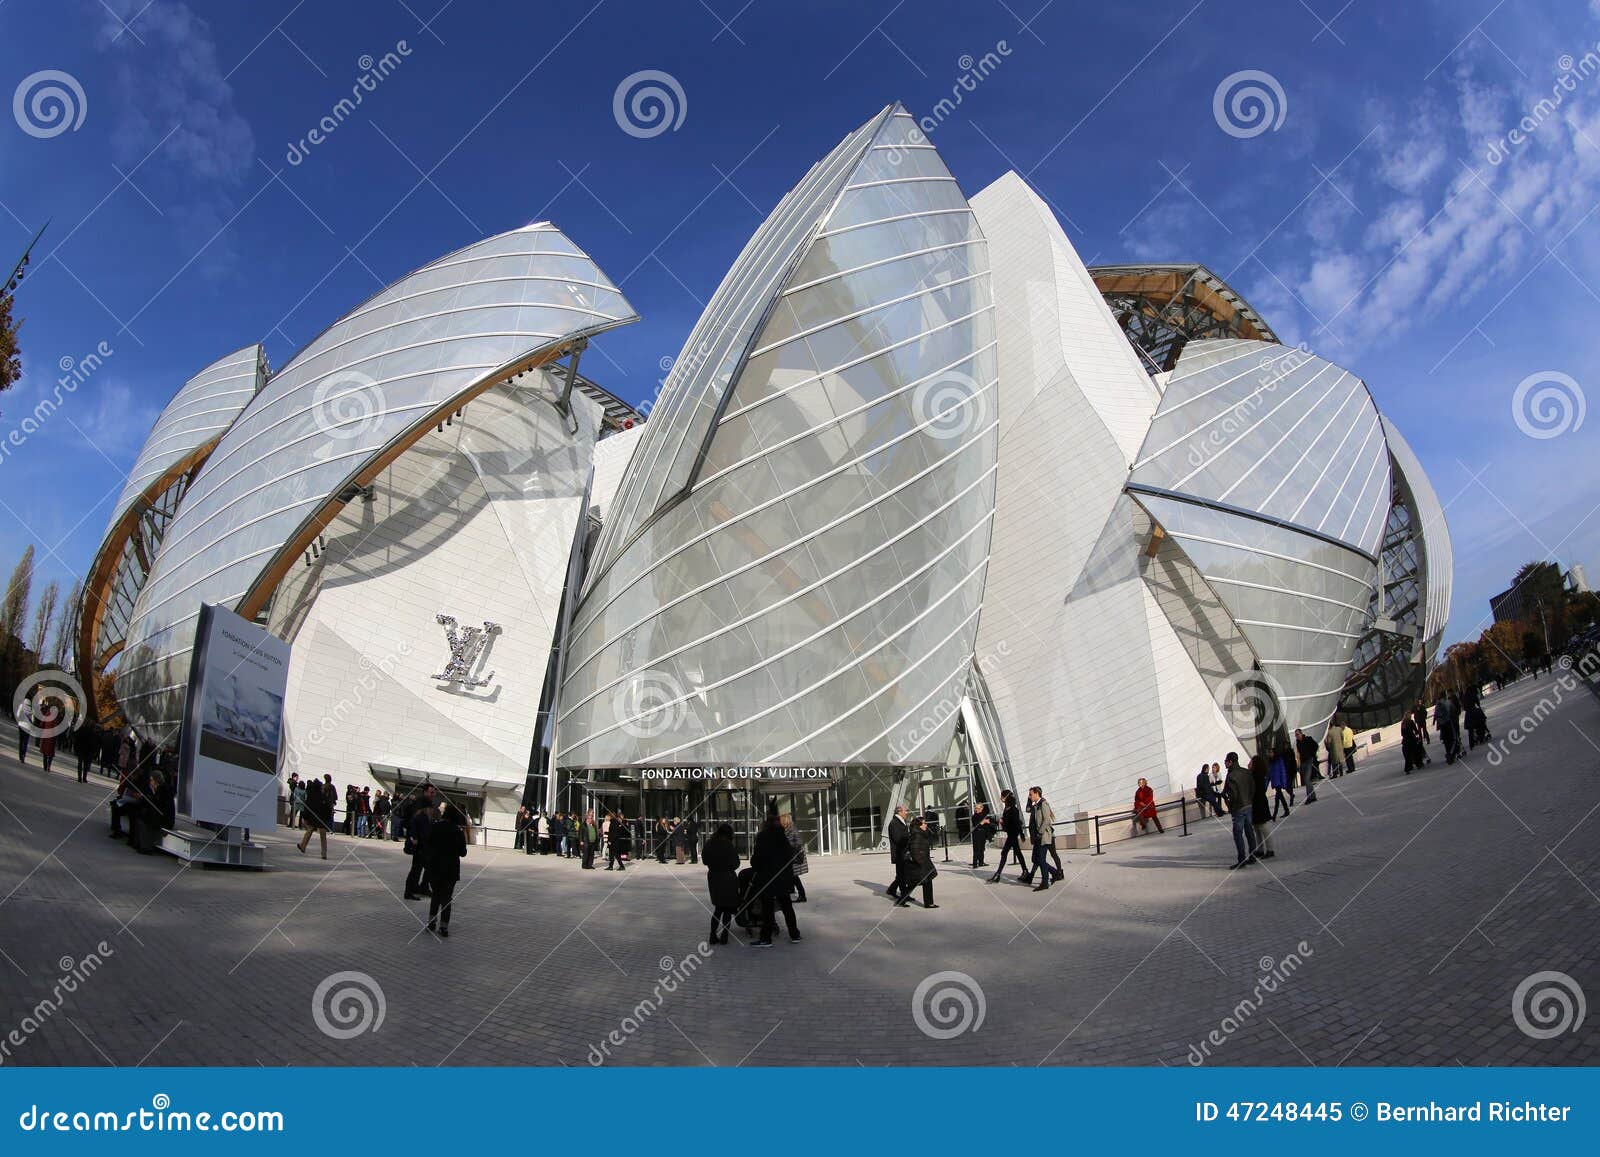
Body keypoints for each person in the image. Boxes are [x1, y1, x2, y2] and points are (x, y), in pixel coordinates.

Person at [748, 813, 800, 946]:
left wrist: (757, 866)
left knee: (767, 909)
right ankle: (794, 934)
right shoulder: (783, 837)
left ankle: (766, 938)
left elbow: (757, 860)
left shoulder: (763, 837)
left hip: (768, 878)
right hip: (783, 877)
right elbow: (791, 856)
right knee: (787, 906)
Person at [425, 804, 468, 937]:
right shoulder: (457, 831)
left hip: (435, 867)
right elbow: (463, 852)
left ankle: (431, 922)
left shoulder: (435, 827)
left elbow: (427, 844)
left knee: (436, 895)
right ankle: (444, 926)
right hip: (450, 869)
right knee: (446, 898)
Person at [703, 823, 740, 944]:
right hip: (728, 877)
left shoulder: (709, 843)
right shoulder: (729, 846)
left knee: (718, 908)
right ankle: (724, 935)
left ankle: (712, 934)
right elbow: (736, 864)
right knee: (727, 908)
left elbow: (704, 860)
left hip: (714, 877)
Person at [1022, 787, 1064, 887]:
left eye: (1031, 794)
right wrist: (1029, 799)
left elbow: (1046, 820)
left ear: (1037, 793)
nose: (1029, 796)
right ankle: (1053, 873)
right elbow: (1028, 809)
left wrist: (1039, 833)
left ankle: (1056, 873)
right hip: (1039, 836)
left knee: (1048, 856)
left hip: (1045, 836)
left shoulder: (1043, 804)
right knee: (1037, 859)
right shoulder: (1036, 805)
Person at [896, 814, 940, 908]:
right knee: (919, 883)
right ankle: (928, 903)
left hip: (923, 862)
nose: (926, 825)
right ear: (918, 826)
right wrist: (921, 862)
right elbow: (914, 850)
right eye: (923, 824)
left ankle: (927, 903)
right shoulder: (917, 835)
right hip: (920, 864)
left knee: (921, 883)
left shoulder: (920, 834)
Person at [403, 788, 437, 899]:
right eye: (431, 792)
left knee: (422, 868)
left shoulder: (423, 816)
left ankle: (419, 888)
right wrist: (415, 838)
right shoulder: (420, 816)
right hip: (421, 847)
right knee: (417, 869)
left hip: (423, 847)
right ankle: (410, 891)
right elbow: (416, 829)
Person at [1223, 752, 1254, 869]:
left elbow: (1232, 794)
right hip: (1248, 805)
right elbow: (1252, 787)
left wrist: (1231, 806)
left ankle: (1242, 859)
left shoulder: (1231, 776)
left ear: (1230, 761)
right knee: (1249, 831)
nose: (1225, 763)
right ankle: (1253, 855)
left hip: (1238, 808)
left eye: (1226, 761)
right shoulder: (1246, 772)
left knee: (1238, 833)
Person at [988, 790, 1026, 882]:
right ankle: (1025, 871)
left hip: (1012, 834)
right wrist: (1002, 821)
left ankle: (998, 874)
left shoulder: (1013, 809)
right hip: (1010, 834)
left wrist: (1003, 822)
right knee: (1017, 853)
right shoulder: (1007, 808)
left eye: (1002, 796)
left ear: (1006, 797)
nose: (1000, 798)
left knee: (1005, 853)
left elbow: (1017, 823)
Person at [296, 774, 334, 860]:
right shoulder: (323, 796)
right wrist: (327, 818)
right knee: (323, 836)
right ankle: (324, 853)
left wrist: (306, 817)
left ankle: (303, 846)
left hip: (313, 818)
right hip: (322, 819)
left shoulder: (311, 796)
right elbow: (328, 808)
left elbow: (307, 808)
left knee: (309, 831)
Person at [1249, 753, 1275, 861]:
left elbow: (1255, 791)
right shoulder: (1255, 775)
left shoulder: (1257, 776)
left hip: (1258, 803)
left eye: (1251, 762)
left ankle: (1270, 849)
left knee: (1263, 827)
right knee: (1257, 827)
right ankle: (1260, 849)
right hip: (1256, 803)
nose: (1248, 764)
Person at [779, 812, 809, 902]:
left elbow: (798, 843)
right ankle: (795, 893)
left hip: (793, 858)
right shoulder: (786, 830)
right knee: (791, 877)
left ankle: (802, 895)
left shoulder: (792, 830)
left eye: (781, 820)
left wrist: (787, 845)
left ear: (785, 821)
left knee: (793, 877)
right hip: (789, 857)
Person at [885, 804, 910, 900]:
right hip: (900, 854)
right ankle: (904, 896)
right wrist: (910, 840)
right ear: (899, 812)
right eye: (905, 811)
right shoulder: (894, 823)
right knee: (902, 875)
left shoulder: (901, 821)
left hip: (903, 853)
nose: (906, 812)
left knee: (902, 875)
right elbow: (898, 838)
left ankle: (893, 890)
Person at [1294, 728, 1319, 803]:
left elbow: (1316, 745)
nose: (1297, 736)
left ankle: (1309, 797)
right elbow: (1299, 753)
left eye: (1297, 734)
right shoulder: (1298, 743)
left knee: (1307, 779)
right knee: (1307, 780)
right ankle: (1313, 796)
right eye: (1295, 735)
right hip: (1303, 762)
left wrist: (1312, 754)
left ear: (1301, 734)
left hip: (1309, 761)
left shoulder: (1308, 739)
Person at [1269, 746, 1294, 819]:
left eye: (1271, 752)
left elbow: (1282, 772)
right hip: (1275, 782)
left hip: (1279, 782)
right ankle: (1280, 812)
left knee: (1279, 798)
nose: (1269, 754)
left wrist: (1284, 782)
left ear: (1274, 753)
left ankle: (1276, 814)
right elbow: (1269, 775)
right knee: (1279, 798)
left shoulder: (1279, 760)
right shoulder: (1270, 762)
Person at [969, 801, 995, 867]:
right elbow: (976, 825)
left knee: (982, 848)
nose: (976, 810)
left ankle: (981, 862)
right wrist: (982, 822)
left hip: (983, 833)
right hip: (977, 833)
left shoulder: (984, 814)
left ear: (981, 808)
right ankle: (975, 863)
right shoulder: (974, 816)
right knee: (976, 848)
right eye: (975, 808)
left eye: (978, 808)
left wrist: (988, 822)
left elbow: (990, 821)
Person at [15, 697, 31, 764]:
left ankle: (20, 755)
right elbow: (33, 719)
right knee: (25, 743)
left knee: (21, 741)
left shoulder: (21, 706)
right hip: (27, 727)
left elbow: (18, 715)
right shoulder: (30, 708)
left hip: (21, 726)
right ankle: (23, 756)